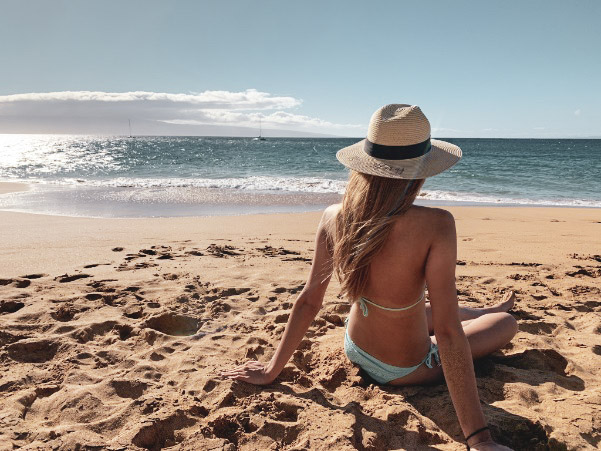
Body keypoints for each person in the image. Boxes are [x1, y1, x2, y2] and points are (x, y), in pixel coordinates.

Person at [221, 104, 518, 450]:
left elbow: (309, 301)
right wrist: (479, 440)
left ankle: (480, 312)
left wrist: (272, 369)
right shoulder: (437, 225)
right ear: (420, 170)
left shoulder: (334, 216)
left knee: (423, 311)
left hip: (355, 347)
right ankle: (490, 315)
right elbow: (450, 334)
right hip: (405, 367)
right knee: (506, 323)